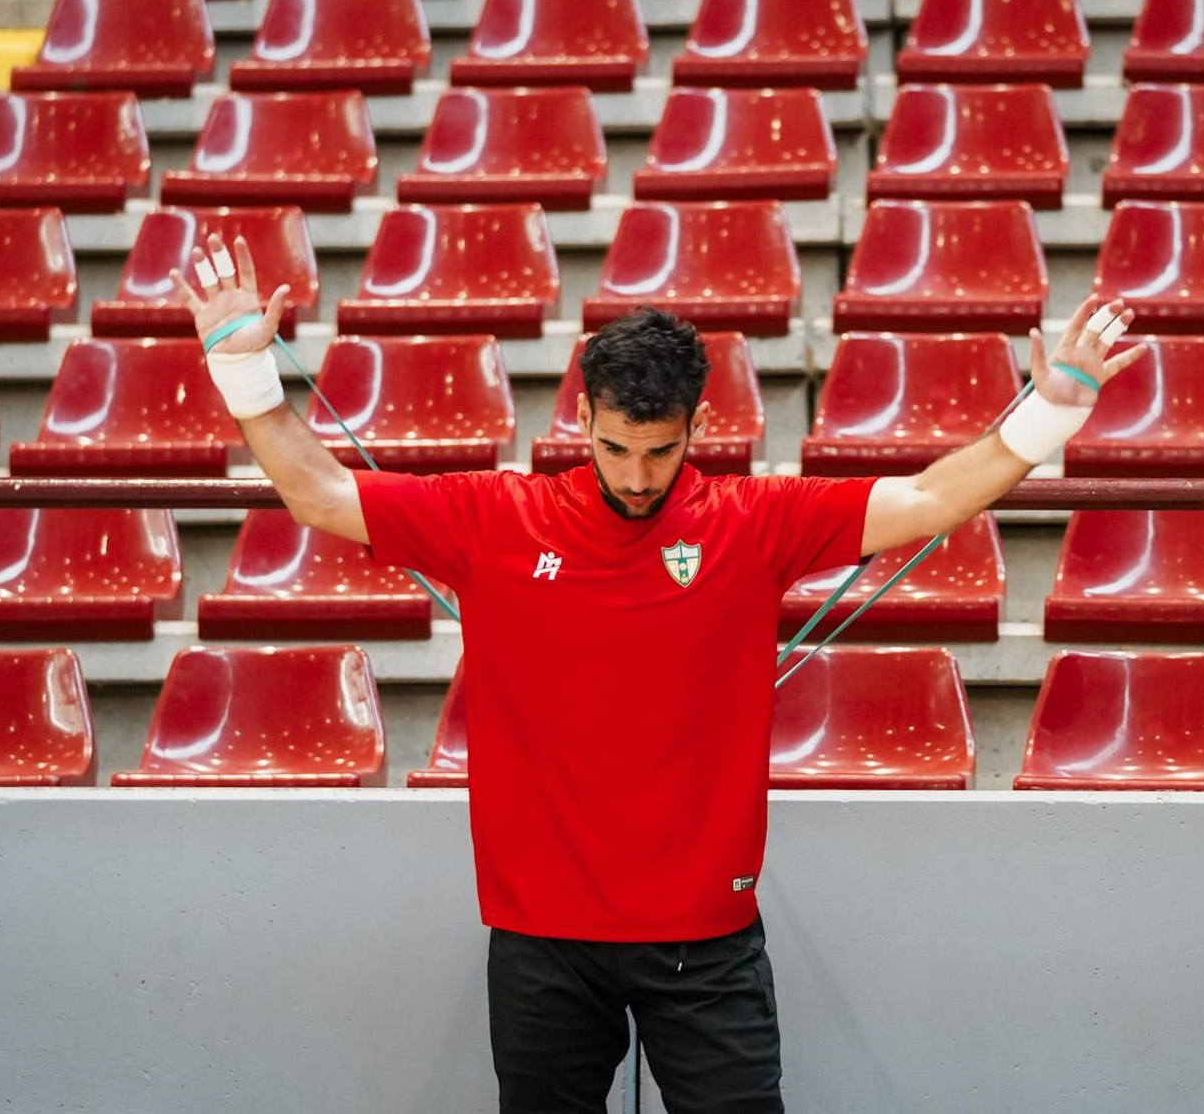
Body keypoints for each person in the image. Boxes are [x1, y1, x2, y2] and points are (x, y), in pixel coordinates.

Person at [180, 232, 1143, 1112]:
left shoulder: (752, 522)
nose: (638, 476)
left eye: (661, 450)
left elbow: (932, 494)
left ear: (697, 426)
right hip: (542, 937)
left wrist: (1046, 415)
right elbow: (316, 491)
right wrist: (243, 367)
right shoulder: (496, 517)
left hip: (706, 938)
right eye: (615, 448)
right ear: (583, 415)